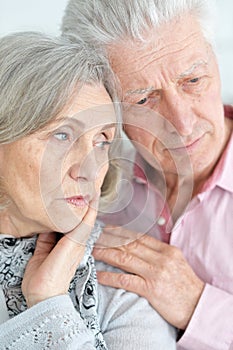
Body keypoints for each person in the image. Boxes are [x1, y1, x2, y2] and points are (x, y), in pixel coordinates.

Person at [62, 0, 233, 348]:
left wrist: (196, 305)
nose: (182, 124)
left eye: (193, 80)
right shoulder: (86, 187)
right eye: (143, 101)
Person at [0, 32, 177, 349]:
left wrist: (49, 302)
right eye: (62, 136)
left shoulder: (121, 284)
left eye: (102, 141)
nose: (89, 169)